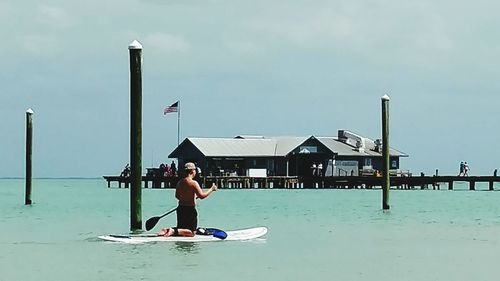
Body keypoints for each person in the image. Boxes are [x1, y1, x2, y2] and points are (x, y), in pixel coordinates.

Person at [158, 162, 217, 237]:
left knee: (182, 229)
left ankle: (167, 230)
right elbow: (202, 196)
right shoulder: (193, 183)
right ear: (192, 171)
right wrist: (212, 189)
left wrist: (191, 197)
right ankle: (172, 230)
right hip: (190, 210)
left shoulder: (180, 182)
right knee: (192, 232)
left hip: (180, 209)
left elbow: (177, 196)